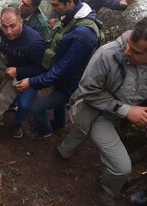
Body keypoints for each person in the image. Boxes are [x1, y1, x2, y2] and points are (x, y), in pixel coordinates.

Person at [56, 18, 147, 206]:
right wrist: (127, 110)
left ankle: (63, 151)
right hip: (94, 108)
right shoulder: (107, 54)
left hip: (117, 114)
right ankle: (107, 196)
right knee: (121, 167)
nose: (127, 52)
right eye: (129, 45)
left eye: (136, 52)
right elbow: (88, 91)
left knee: (81, 130)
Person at [15, 0, 103, 139]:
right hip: (65, 79)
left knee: (36, 108)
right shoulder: (73, 15)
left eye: (56, 5)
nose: (52, 9)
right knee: (58, 101)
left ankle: (45, 132)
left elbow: (62, 70)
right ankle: (59, 124)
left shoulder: (83, 34)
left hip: (73, 83)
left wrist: (32, 81)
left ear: (70, 2)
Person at [0, 6, 45, 138]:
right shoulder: (4, 31)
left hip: (29, 78)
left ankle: (18, 124)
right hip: (10, 71)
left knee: (24, 105)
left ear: (21, 21)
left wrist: (18, 70)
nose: (8, 31)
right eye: (4, 26)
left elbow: (40, 68)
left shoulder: (35, 42)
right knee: (5, 94)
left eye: (12, 26)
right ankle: (11, 104)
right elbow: (3, 43)